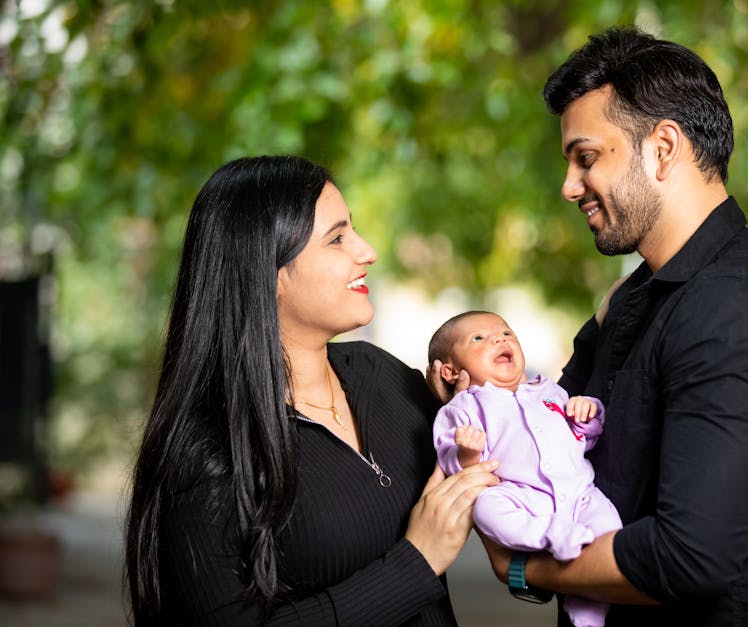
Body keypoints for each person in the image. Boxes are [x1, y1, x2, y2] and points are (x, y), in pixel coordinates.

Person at [432, 26, 748, 626]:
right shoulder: (641, 294)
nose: (569, 187)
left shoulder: (735, 312)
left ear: (663, 148)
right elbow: (551, 429)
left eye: (586, 158)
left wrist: (522, 568)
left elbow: (690, 558)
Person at [124, 156, 500, 626]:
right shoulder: (206, 451)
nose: (366, 251)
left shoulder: (382, 377)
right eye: (337, 238)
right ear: (268, 272)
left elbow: (520, 440)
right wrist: (416, 562)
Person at [428, 310, 622, 627]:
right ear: (450, 371)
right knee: (488, 509)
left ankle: (588, 606)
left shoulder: (549, 392)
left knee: (611, 535)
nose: (499, 339)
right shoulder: (465, 406)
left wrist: (588, 417)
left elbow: (580, 442)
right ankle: (550, 536)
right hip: (525, 499)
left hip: (582, 495)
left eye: (506, 333)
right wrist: (467, 450)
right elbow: (456, 466)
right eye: (479, 338)